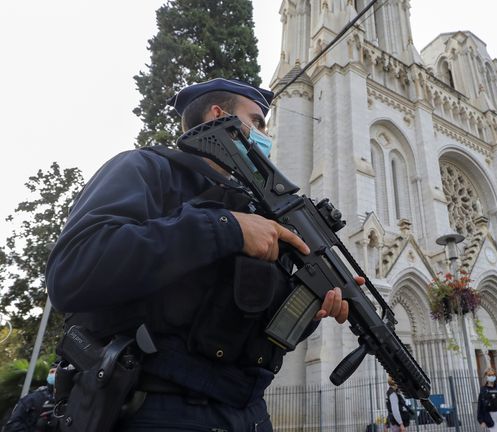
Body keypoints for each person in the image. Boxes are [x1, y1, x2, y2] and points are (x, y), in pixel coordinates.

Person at [45, 78, 363, 431]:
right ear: (219, 115)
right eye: (256, 121)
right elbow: (72, 270)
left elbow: (258, 331)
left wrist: (312, 309)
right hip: (154, 407)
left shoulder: (259, 213)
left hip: (248, 413)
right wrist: (227, 229)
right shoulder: (148, 169)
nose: (264, 136)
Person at [3, 367, 56, 431]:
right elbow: (12, 426)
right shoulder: (33, 398)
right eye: (52, 372)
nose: (54, 374)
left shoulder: (69, 400)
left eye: (57, 372)